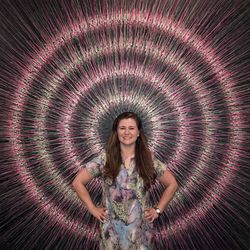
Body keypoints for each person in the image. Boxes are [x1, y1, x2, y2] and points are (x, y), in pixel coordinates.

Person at [72, 111, 178, 250]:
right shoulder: (105, 159)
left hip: (141, 234)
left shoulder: (148, 160)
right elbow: (77, 182)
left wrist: (158, 210)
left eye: (131, 128)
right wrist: (92, 208)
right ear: (116, 132)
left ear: (138, 133)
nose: (126, 132)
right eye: (122, 128)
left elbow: (172, 184)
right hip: (112, 235)